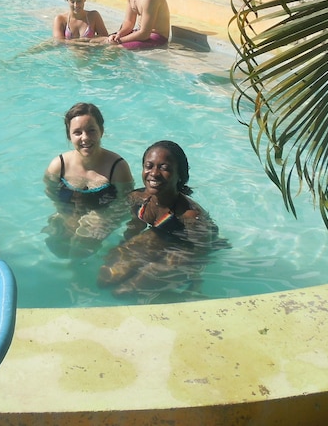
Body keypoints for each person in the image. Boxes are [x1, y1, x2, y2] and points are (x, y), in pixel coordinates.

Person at [97, 141, 224, 297]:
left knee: (123, 292)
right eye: (149, 166)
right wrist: (123, 247)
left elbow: (200, 251)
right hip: (160, 234)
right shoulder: (137, 198)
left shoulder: (190, 215)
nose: (154, 173)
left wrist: (194, 283)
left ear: (180, 175)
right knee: (105, 279)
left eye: (164, 168)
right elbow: (135, 225)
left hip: (185, 246)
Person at [43, 102, 134, 258]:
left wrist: (102, 220)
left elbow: (126, 203)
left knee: (80, 252)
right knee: (56, 246)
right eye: (77, 132)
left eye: (91, 130)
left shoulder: (117, 167)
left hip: (101, 217)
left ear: (101, 131)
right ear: (69, 136)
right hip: (67, 213)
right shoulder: (59, 165)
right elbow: (50, 192)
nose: (85, 138)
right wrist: (65, 215)